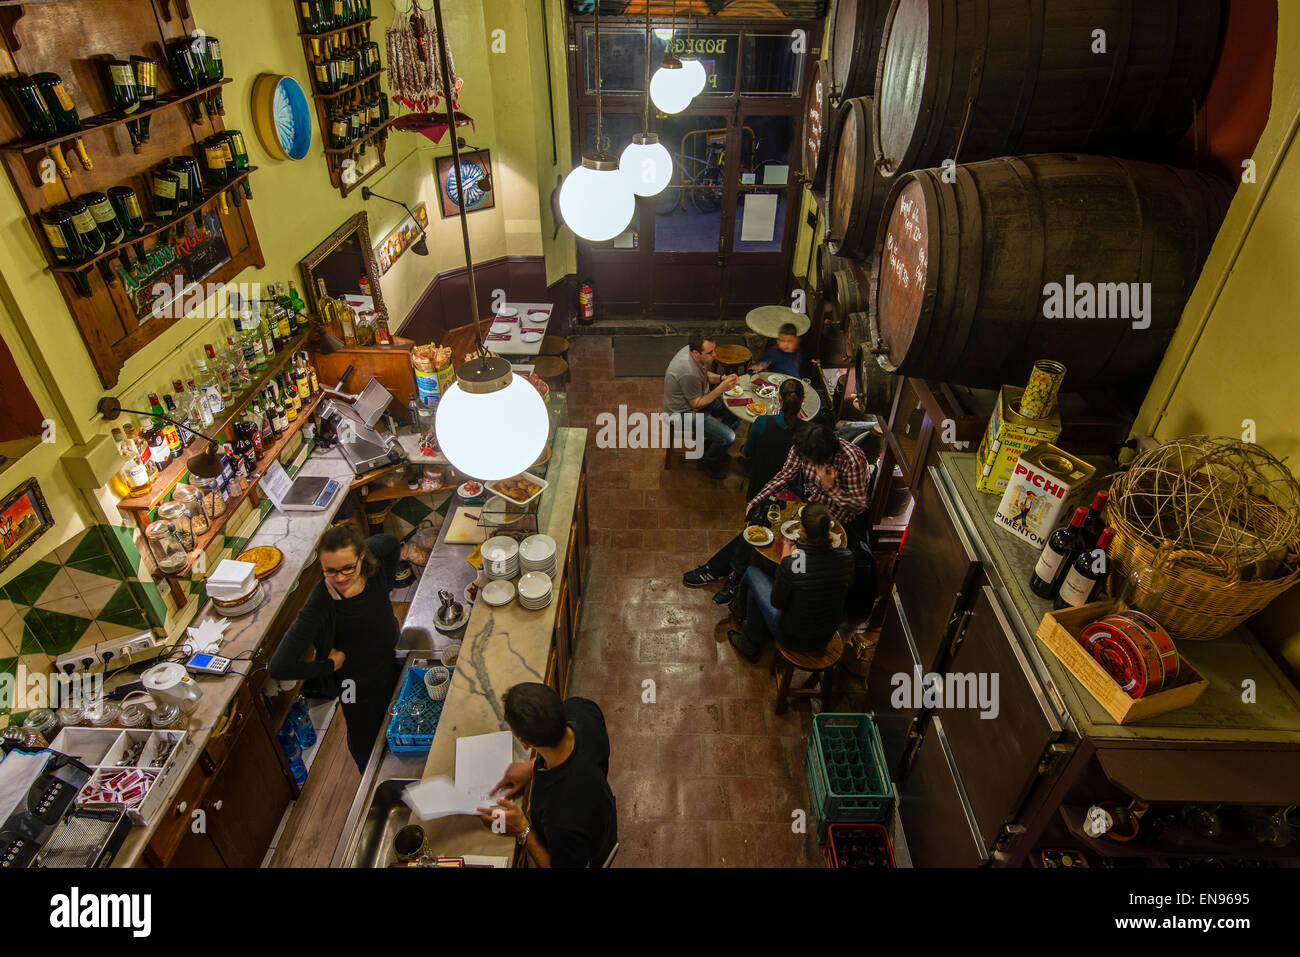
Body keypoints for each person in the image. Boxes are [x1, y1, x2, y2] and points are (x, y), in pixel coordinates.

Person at [683, 423, 870, 603]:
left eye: (811, 462)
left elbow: (858, 504)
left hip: (833, 521)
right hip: (806, 504)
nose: (808, 464)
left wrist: (830, 487)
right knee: (758, 525)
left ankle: (736, 579)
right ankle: (718, 570)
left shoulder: (851, 460)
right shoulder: (804, 446)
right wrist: (756, 501)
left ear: (826, 457)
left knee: (791, 557)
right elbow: (784, 476)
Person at [268, 524, 402, 772]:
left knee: (402, 715)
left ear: (361, 556)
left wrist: (387, 587)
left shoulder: (372, 560)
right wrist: (328, 665)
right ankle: (369, 775)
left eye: (348, 568)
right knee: (365, 739)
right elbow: (279, 666)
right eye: (330, 571)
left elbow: (392, 543)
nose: (340, 578)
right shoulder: (320, 603)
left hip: (393, 657)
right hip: (355, 683)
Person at [479, 683, 618, 868]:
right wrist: (531, 767)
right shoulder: (582, 709)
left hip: (588, 855)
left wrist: (523, 830)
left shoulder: (562, 817)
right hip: (601, 813)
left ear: (524, 743)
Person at [727, 504, 855, 664]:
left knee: (752, 573)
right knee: (754, 592)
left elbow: (777, 602)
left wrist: (785, 562)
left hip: (793, 637)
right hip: (826, 635)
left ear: (803, 530)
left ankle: (739, 611)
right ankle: (749, 637)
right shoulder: (846, 557)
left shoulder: (795, 562)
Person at [663, 332, 741, 480]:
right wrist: (720, 389)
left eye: (714, 349)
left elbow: (704, 375)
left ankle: (711, 448)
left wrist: (722, 378)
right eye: (710, 352)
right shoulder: (688, 372)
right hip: (682, 413)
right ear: (695, 353)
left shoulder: (694, 354)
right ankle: (709, 462)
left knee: (737, 412)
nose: (715, 355)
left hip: (698, 398)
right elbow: (696, 405)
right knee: (729, 437)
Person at [743, 378, 804, 499]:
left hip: (759, 487)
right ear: (803, 400)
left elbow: (747, 452)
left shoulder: (761, 422)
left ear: (779, 398)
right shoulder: (808, 430)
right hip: (789, 492)